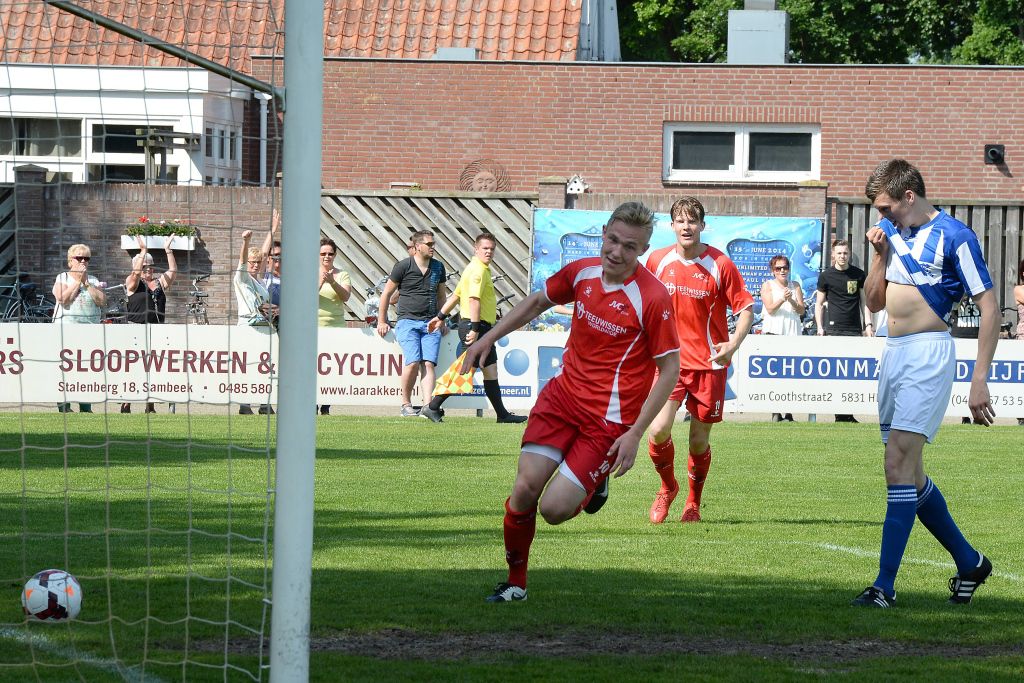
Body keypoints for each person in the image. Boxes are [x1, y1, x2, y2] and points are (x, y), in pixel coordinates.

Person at [465, 202, 680, 603]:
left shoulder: (652, 297)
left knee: (554, 510)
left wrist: (635, 434)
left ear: (644, 249)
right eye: (612, 240)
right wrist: (488, 336)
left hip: (608, 421)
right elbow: (536, 303)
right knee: (525, 489)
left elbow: (669, 369)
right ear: (603, 232)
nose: (616, 252)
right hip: (562, 399)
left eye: (629, 247)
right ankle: (516, 583)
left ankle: (593, 482)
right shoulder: (582, 271)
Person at [853, 159, 998, 608]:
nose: (882, 216)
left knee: (896, 463)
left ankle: (884, 586)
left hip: (929, 354)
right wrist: (880, 255)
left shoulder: (956, 236)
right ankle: (970, 561)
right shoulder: (896, 237)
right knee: (910, 476)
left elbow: (989, 307)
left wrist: (980, 380)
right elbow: (874, 301)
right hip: (893, 355)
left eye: (886, 206)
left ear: (909, 197)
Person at [644, 197, 755, 525]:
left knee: (698, 439)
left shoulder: (720, 264)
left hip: (709, 365)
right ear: (672, 226)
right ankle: (667, 487)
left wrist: (732, 345)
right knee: (658, 430)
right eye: (680, 221)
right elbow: (644, 304)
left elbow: (746, 309)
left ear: (703, 226)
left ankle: (693, 502)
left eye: (692, 221)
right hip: (669, 365)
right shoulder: (657, 261)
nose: (686, 226)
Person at [422, 233, 527, 424]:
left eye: (492, 249)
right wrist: (476, 328)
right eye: (485, 248)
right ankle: (432, 406)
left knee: (490, 371)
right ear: (476, 249)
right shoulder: (477, 271)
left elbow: (455, 295)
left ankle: (502, 415)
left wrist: (439, 317)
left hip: (482, 327)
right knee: (464, 370)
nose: (489, 252)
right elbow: (473, 299)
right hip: (475, 326)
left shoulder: (474, 268)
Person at [377, 230, 447, 417]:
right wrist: (382, 320)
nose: (433, 248)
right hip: (407, 321)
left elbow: (442, 296)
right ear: (417, 247)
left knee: (429, 364)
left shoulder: (439, 267)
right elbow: (386, 295)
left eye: (433, 244)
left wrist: (442, 319)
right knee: (413, 362)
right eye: (429, 244)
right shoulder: (403, 266)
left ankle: (428, 407)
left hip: (431, 322)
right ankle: (406, 404)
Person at [815, 239, 873, 422]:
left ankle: (848, 413)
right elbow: (819, 304)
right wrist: (820, 328)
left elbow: (865, 303)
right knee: (835, 373)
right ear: (833, 255)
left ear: (849, 254)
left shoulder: (859, 275)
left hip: (854, 329)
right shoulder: (826, 276)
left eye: (845, 253)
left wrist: (868, 326)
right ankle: (839, 412)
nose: (842, 256)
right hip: (833, 329)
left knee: (852, 373)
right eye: (839, 253)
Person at [120, 235, 178, 414]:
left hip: (157, 330)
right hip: (136, 329)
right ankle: (127, 403)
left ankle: (150, 405)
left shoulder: (159, 283)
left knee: (154, 368)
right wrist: (142, 252)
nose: (148, 269)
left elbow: (173, 271)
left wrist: (168, 250)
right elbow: (136, 274)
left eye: (150, 266)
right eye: (144, 266)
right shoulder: (132, 283)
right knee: (134, 368)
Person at [52, 243, 107, 413]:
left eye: (86, 258)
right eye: (79, 258)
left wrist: (87, 284)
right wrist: (78, 282)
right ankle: (64, 406)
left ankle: (85, 406)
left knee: (87, 370)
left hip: (89, 333)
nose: (83, 261)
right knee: (65, 370)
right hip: (65, 331)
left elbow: (102, 301)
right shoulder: (62, 278)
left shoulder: (94, 281)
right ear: (70, 261)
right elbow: (63, 299)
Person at [760, 254, 805, 422]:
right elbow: (770, 309)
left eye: (784, 267)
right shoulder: (767, 285)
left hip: (792, 331)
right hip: (774, 331)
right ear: (773, 271)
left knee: (791, 374)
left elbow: (801, 310)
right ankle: (775, 412)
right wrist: (782, 298)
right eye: (778, 268)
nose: (782, 271)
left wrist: (791, 300)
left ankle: (789, 412)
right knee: (774, 374)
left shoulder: (795, 285)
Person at [233, 230, 272, 415]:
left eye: (258, 262)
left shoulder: (261, 283)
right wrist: (246, 242)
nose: (255, 265)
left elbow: (264, 254)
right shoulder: (241, 279)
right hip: (247, 326)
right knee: (247, 366)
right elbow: (241, 262)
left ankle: (264, 404)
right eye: (252, 262)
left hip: (264, 328)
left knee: (264, 367)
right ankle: (245, 404)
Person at [317, 237, 351, 415]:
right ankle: (312, 402)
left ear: (335, 255)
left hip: (336, 327)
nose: (327, 256)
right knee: (313, 367)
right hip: (313, 327)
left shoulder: (342, 274)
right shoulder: (309, 273)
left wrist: (332, 281)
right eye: (323, 253)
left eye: (330, 253)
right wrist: (321, 281)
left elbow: (345, 296)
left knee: (331, 368)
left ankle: (326, 405)